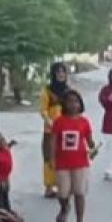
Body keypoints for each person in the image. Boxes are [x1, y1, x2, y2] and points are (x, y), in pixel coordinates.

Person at [51, 89, 97, 222]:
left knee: (79, 192)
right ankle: (65, 207)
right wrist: (52, 159)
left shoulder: (84, 122)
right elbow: (53, 143)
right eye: (69, 101)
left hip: (80, 162)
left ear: (80, 104)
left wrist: (93, 148)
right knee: (63, 192)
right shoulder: (59, 122)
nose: (73, 104)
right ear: (64, 103)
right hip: (62, 163)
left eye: (76, 101)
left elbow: (90, 141)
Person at [40, 61, 71, 198]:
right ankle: (49, 186)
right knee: (49, 157)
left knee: (64, 157)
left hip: (66, 129)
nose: (61, 74)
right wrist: (49, 120)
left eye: (63, 72)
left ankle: (62, 185)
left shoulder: (68, 90)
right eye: (58, 72)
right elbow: (43, 109)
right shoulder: (47, 90)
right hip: (50, 129)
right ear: (54, 74)